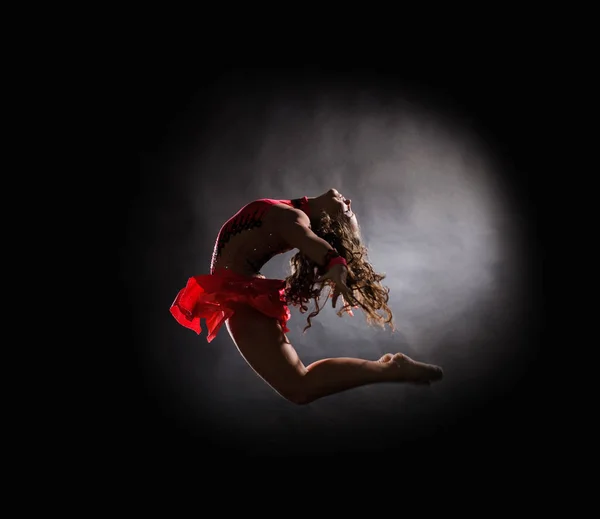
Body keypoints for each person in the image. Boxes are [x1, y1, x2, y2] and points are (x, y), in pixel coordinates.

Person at [170, 188, 443, 404]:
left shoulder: (294, 219)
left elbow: (308, 239)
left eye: (347, 212)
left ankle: (392, 370)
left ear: (329, 224)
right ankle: (392, 370)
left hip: (240, 297)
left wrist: (335, 264)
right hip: (238, 290)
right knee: (299, 386)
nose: (347, 201)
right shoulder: (293, 208)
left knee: (300, 387)